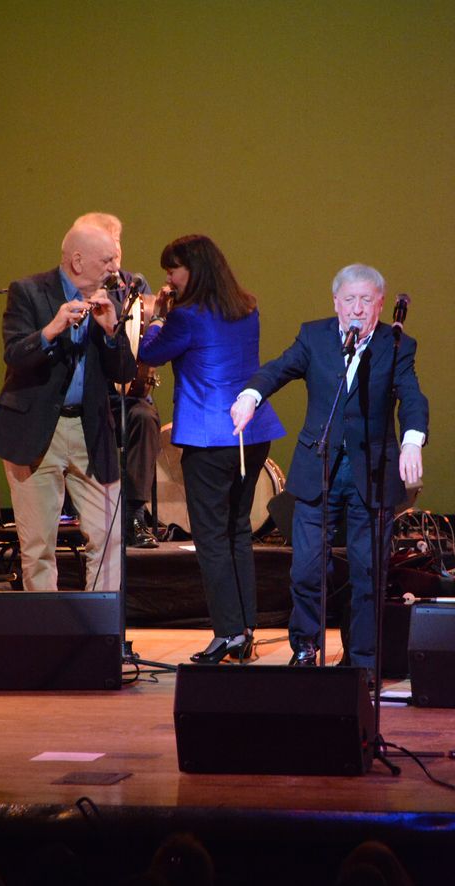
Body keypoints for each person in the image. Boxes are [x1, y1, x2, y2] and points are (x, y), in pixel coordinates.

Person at [231, 263, 429, 682]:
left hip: (371, 474)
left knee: (367, 572)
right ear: (335, 302)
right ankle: (305, 648)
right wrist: (250, 395)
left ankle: (361, 661)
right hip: (318, 467)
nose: (357, 309)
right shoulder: (314, 336)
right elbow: (278, 369)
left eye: (366, 301)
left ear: (380, 304)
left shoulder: (397, 345)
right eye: (349, 300)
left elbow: (411, 396)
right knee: (306, 569)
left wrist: (412, 440)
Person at [139, 234, 286, 663]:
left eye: (174, 270)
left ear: (194, 270)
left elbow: (150, 352)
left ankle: (226, 634)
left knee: (210, 538)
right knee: (237, 531)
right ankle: (244, 630)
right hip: (254, 431)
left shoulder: (186, 317)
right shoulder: (247, 308)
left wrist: (155, 317)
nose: (169, 278)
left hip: (210, 438)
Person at [0, 222, 135, 592]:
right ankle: (45, 641)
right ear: (78, 260)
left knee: (110, 538)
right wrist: (52, 329)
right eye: (107, 259)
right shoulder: (29, 292)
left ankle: (101, 635)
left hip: (90, 431)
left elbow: (124, 373)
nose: (115, 268)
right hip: (36, 431)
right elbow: (15, 356)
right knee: (37, 547)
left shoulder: (109, 299)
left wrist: (112, 332)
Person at [73, 212, 161, 548]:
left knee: (143, 416)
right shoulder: (77, 288)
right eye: (107, 245)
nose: (116, 253)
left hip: (127, 391)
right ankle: (82, 518)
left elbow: (148, 336)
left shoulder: (134, 286)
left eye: (118, 243)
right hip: (89, 392)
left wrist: (160, 316)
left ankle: (135, 516)